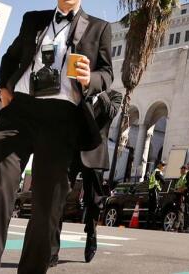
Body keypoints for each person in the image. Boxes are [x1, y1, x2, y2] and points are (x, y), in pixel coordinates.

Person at [0, 0, 113, 274]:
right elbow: (10, 57)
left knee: (47, 205)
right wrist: (4, 88)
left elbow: (108, 74)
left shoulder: (99, 28)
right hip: (20, 114)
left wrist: (90, 78)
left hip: (61, 120)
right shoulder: (33, 20)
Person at [50, 88, 122, 264]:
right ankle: (52, 250)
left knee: (94, 201)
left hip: (95, 153)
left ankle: (92, 232)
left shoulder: (114, 95)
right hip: (73, 152)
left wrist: (99, 92)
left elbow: (111, 112)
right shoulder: (78, 91)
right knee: (59, 197)